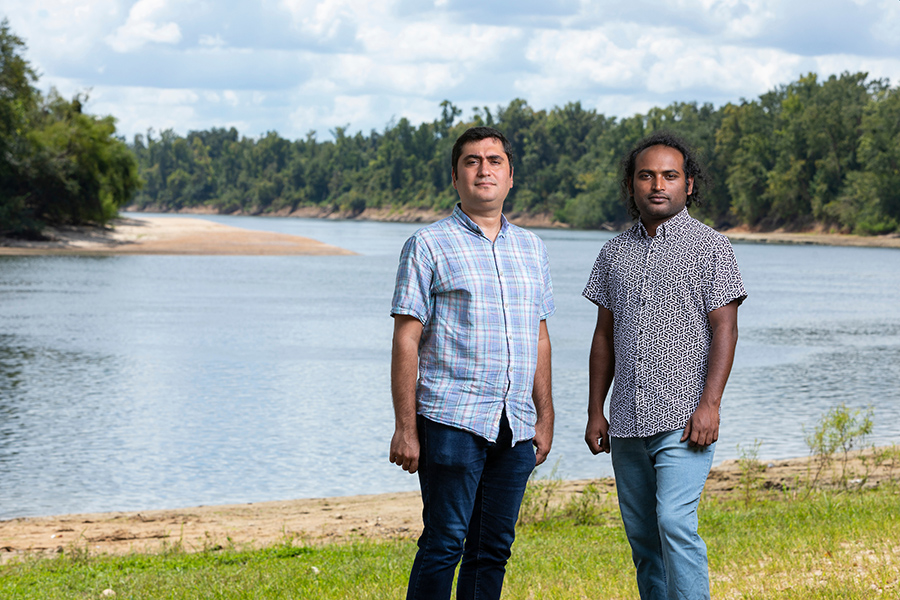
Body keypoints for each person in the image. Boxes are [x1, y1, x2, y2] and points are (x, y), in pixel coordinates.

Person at [389, 126, 555, 600]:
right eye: (472, 161)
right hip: (450, 421)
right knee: (444, 543)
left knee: (493, 548)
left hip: (516, 424)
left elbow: (539, 337)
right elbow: (406, 339)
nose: (484, 169)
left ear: (510, 175)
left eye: (494, 160)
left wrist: (545, 416)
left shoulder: (532, 248)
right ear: (456, 177)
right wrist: (405, 427)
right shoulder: (427, 245)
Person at [583, 131, 747, 600]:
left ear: (689, 184)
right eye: (646, 175)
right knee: (643, 541)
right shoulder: (613, 252)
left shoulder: (713, 247)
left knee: (675, 522)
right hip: (628, 422)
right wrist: (597, 409)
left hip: (684, 420)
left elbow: (725, 330)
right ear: (632, 185)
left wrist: (710, 405)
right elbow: (603, 336)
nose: (658, 184)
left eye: (670, 175)